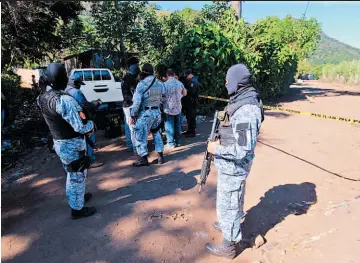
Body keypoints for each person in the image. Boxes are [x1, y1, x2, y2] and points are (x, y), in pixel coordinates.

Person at [205, 64, 264, 259]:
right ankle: (227, 222)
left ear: (237, 82)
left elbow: (242, 149)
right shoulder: (242, 100)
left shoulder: (247, 108)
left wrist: (216, 149)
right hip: (231, 165)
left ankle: (229, 246)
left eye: (228, 79)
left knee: (229, 202)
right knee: (232, 200)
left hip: (235, 165)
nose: (225, 83)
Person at [37, 63, 96, 220]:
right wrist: (92, 124)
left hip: (59, 142)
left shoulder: (42, 98)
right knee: (77, 174)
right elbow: (81, 127)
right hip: (72, 144)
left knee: (71, 173)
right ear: (63, 79)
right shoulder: (65, 100)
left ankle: (77, 198)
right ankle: (77, 210)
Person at [130, 63, 165, 167]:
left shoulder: (141, 84)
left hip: (145, 114)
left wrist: (133, 115)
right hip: (157, 113)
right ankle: (160, 156)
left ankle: (143, 158)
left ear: (143, 72)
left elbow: (136, 102)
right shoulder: (160, 83)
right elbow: (163, 96)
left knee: (140, 135)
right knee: (157, 133)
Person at [65, 76, 104, 169]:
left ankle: (79, 160)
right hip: (82, 119)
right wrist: (96, 103)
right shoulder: (76, 92)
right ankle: (91, 160)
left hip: (70, 121)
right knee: (89, 136)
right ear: (76, 83)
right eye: (79, 84)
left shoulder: (65, 91)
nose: (80, 86)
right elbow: (86, 106)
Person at [163, 68, 187, 148]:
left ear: (167, 75)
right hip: (178, 108)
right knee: (178, 125)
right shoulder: (180, 83)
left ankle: (170, 143)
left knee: (169, 125)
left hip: (168, 108)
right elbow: (185, 93)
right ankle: (178, 141)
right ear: (174, 74)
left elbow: (161, 96)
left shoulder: (165, 84)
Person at [121, 57, 140, 154]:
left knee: (128, 125)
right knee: (133, 126)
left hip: (125, 104)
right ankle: (135, 148)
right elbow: (134, 93)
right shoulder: (131, 79)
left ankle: (130, 144)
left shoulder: (125, 77)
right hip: (130, 104)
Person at [181, 69, 199, 137]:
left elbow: (192, 91)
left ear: (190, 74)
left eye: (186, 75)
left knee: (192, 116)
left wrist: (186, 89)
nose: (185, 77)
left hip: (192, 102)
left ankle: (192, 132)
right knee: (188, 116)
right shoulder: (190, 80)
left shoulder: (194, 81)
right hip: (189, 102)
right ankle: (189, 130)